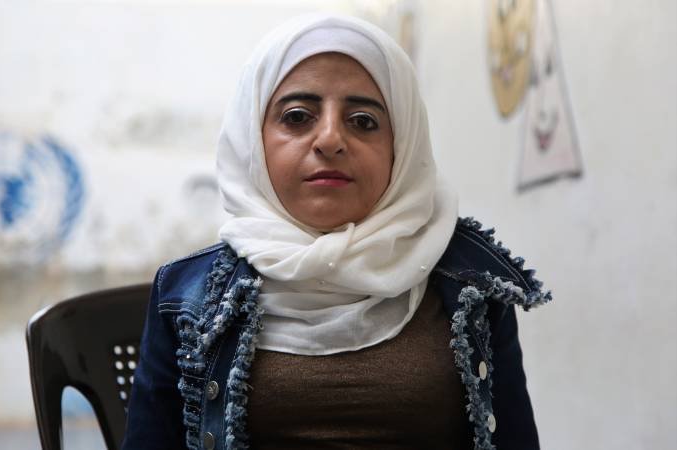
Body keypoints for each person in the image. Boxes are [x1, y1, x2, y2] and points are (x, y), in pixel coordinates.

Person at [122, 14, 551, 450]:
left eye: (363, 121)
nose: (329, 139)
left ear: (401, 148)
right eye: (297, 117)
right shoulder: (185, 295)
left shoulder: (473, 285)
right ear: (254, 139)